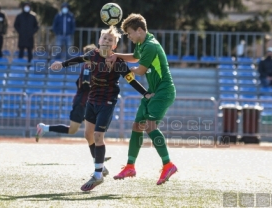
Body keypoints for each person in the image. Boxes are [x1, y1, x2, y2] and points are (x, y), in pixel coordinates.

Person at [48, 26, 153, 192]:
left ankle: (97, 174)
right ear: (99, 41)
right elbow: (79, 59)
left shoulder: (117, 62)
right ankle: (101, 166)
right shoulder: (93, 55)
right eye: (104, 38)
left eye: (110, 40)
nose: (106, 41)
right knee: (87, 134)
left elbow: (131, 80)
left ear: (114, 46)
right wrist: (61, 64)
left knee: (98, 135)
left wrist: (146, 93)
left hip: (107, 101)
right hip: (92, 99)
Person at [106, 13, 178, 185]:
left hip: (164, 92)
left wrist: (122, 68)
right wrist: (118, 56)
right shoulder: (142, 43)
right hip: (153, 92)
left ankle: (168, 164)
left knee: (149, 127)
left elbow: (140, 69)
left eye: (130, 33)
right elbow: (136, 57)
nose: (129, 37)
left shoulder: (151, 46)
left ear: (139, 30)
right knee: (137, 127)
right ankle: (130, 166)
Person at [35, 43, 111, 177]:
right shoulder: (88, 66)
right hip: (83, 103)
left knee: (86, 133)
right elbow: (87, 85)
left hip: (86, 102)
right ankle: (99, 162)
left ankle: (99, 162)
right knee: (80, 131)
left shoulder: (89, 66)